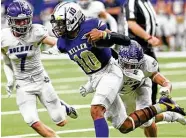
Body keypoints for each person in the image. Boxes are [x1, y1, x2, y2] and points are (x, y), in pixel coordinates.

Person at [46, 2, 185, 137]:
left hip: (109, 72)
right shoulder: (62, 42)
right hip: (96, 78)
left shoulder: (91, 26)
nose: (58, 26)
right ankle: (164, 107)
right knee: (125, 126)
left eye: (61, 22)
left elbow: (124, 40)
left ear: (73, 19)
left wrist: (103, 35)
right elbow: (53, 45)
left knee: (96, 110)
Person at [79, 38, 186, 137]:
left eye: (133, 65)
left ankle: (164, 108)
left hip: (140, 87)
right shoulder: (112, 65)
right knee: (129, 122)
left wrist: (167, 87)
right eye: (126, 64)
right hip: (122, 92)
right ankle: (171, 115)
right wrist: (88, 87)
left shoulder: (147, 63)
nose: (129, 68)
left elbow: (163, 80)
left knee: (146, 121)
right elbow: (100, 78)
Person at [1, 0, 77, 137]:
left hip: (41, 80)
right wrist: (10, 80)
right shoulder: (4, 37)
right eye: (19, 21)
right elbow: (6, 61)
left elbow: (56, 43)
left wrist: (58, 49)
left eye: (25, 20)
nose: (23, 24)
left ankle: (62, 106)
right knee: (31, 120)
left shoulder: (35, 31)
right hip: (23, 83)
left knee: (60, 121)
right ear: (10, 20)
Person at [125, 0, 160, 105]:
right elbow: (131, 23)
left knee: (154, 79)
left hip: (147, 47)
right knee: (137, 81)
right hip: (136, 48)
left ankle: (150, 110)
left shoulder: (146, 2)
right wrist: (148, 37)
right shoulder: (132, 2)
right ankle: (139, 113)